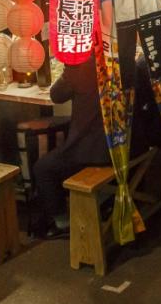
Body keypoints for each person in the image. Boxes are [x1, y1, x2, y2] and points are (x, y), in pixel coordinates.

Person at [31, 57, 111, 239]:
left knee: (43, 168)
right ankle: (102, 202)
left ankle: (62, 222)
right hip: (121, 145)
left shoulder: (80, 67)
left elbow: (56, 95)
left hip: (92, 151)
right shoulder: (119, 60)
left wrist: (70, 66)